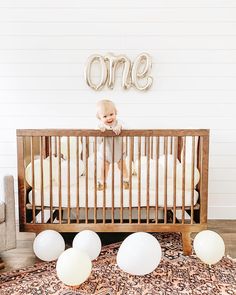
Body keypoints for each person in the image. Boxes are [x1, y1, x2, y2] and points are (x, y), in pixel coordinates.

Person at [96, 99, 129, 191]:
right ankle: (102, 182)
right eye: (105, 116)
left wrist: (120, 127)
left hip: (119, 152)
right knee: (104, 169)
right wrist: (100, 132)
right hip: (107, 153)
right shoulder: (100, 126)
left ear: (115, 113)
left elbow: (126, 127)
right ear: (100, 118)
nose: (109, 118)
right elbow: (98, 141)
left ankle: (126, 180)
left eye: (111, 114)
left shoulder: (119, 123)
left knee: (123, 167)